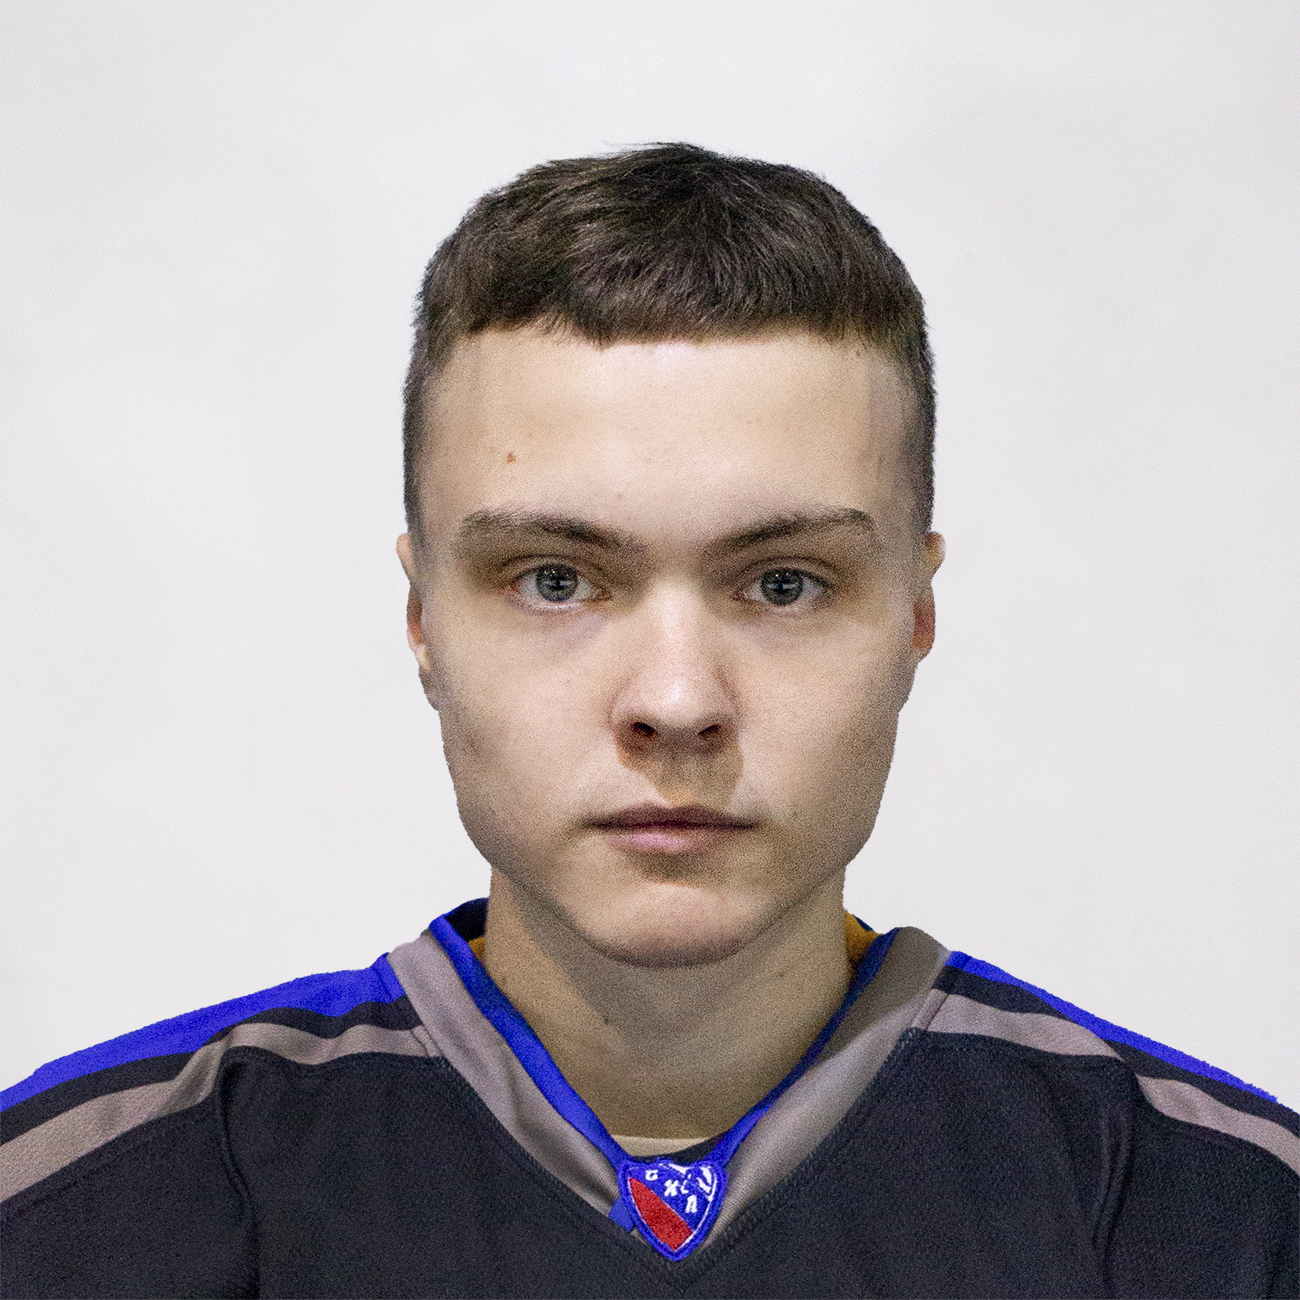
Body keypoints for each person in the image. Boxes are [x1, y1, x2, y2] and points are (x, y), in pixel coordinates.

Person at [1, 143, 1295, 1300]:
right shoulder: (72, 1212)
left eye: (784, 584)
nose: (676, 702)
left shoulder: (1223, 1221)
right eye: (555, 581)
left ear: (914, 616)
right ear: (422, 621)